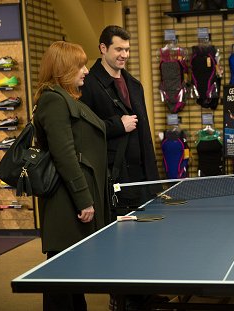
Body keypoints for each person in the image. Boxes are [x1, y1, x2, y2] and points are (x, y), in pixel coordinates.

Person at [33, 41, 109, 311]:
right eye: (80, 65)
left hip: (73, 199)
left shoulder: (65, 98)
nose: (87, 71)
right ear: (64, 68)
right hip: (66, 202)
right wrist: (83, 200)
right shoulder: (53, 100)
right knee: (61, 280)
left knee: (71, 277)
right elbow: (64, 154)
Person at [80, 25, 160, 217]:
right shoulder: (87, 85)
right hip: (112, 181)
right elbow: (83, 132)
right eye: (118, 49)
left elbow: (145, 136)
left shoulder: (134, 85)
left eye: (127, 49)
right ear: (103, 48)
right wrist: (118, 126)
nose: (124, 54)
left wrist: (154, 182)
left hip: (141, 180)